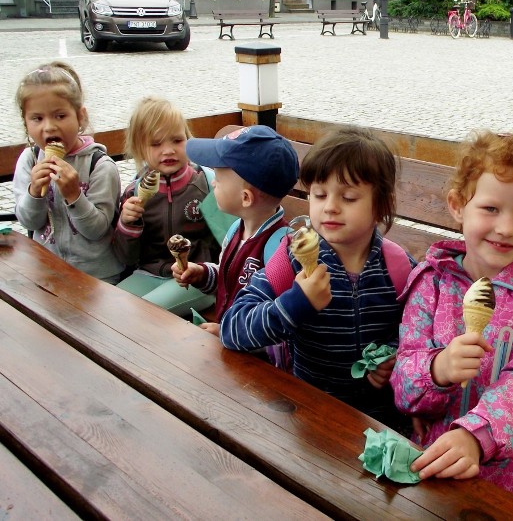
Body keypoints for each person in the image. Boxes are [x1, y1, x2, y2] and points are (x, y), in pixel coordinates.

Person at [390, 132, 513, 504]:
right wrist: (437, 369)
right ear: (458, 206)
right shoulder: (431, 282)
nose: (506, 228)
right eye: (490, 209)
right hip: (435, 464)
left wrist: (476, 435)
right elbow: (404, 378)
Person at [219, 126, 414, 426]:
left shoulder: (400, 268)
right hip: (307, 416)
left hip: (380, 425)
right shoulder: (291, 260)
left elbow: (424, 339)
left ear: (382, 205)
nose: (330, 207)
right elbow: (232, 328)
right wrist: (295, 303)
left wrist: (395, 357)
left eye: (348, 197)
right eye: (320, 194)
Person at [172, 125, 300, 335]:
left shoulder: (280, 248)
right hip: (229, 339)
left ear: (246, 198)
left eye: (219, 179)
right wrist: (202, 274)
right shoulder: (235, 230)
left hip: (254, 358)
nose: (213, 182)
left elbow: (280, 322)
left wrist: (226, 332)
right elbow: (229, 280)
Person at [13, 61, 124, 283]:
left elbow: (98, 230)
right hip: (46, 270)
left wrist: (74, 195)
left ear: (80, 116)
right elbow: (29, 222)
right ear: (26, 124)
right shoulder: (30, 160)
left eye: (60, 116)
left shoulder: (99, 165)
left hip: (97, 276)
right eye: (37, 118)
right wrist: (35, 192)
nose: (49, 127)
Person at [114, 96, 220, 317]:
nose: (169, 150)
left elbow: (228, 238)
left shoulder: (206, 184)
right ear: (140, 148)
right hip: (148, 273)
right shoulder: (134, 191)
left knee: (142, 315)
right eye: (156, 143)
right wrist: (127, 223)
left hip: (195, 277)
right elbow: (126, 257)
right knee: (110, 309)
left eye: (177, 141)